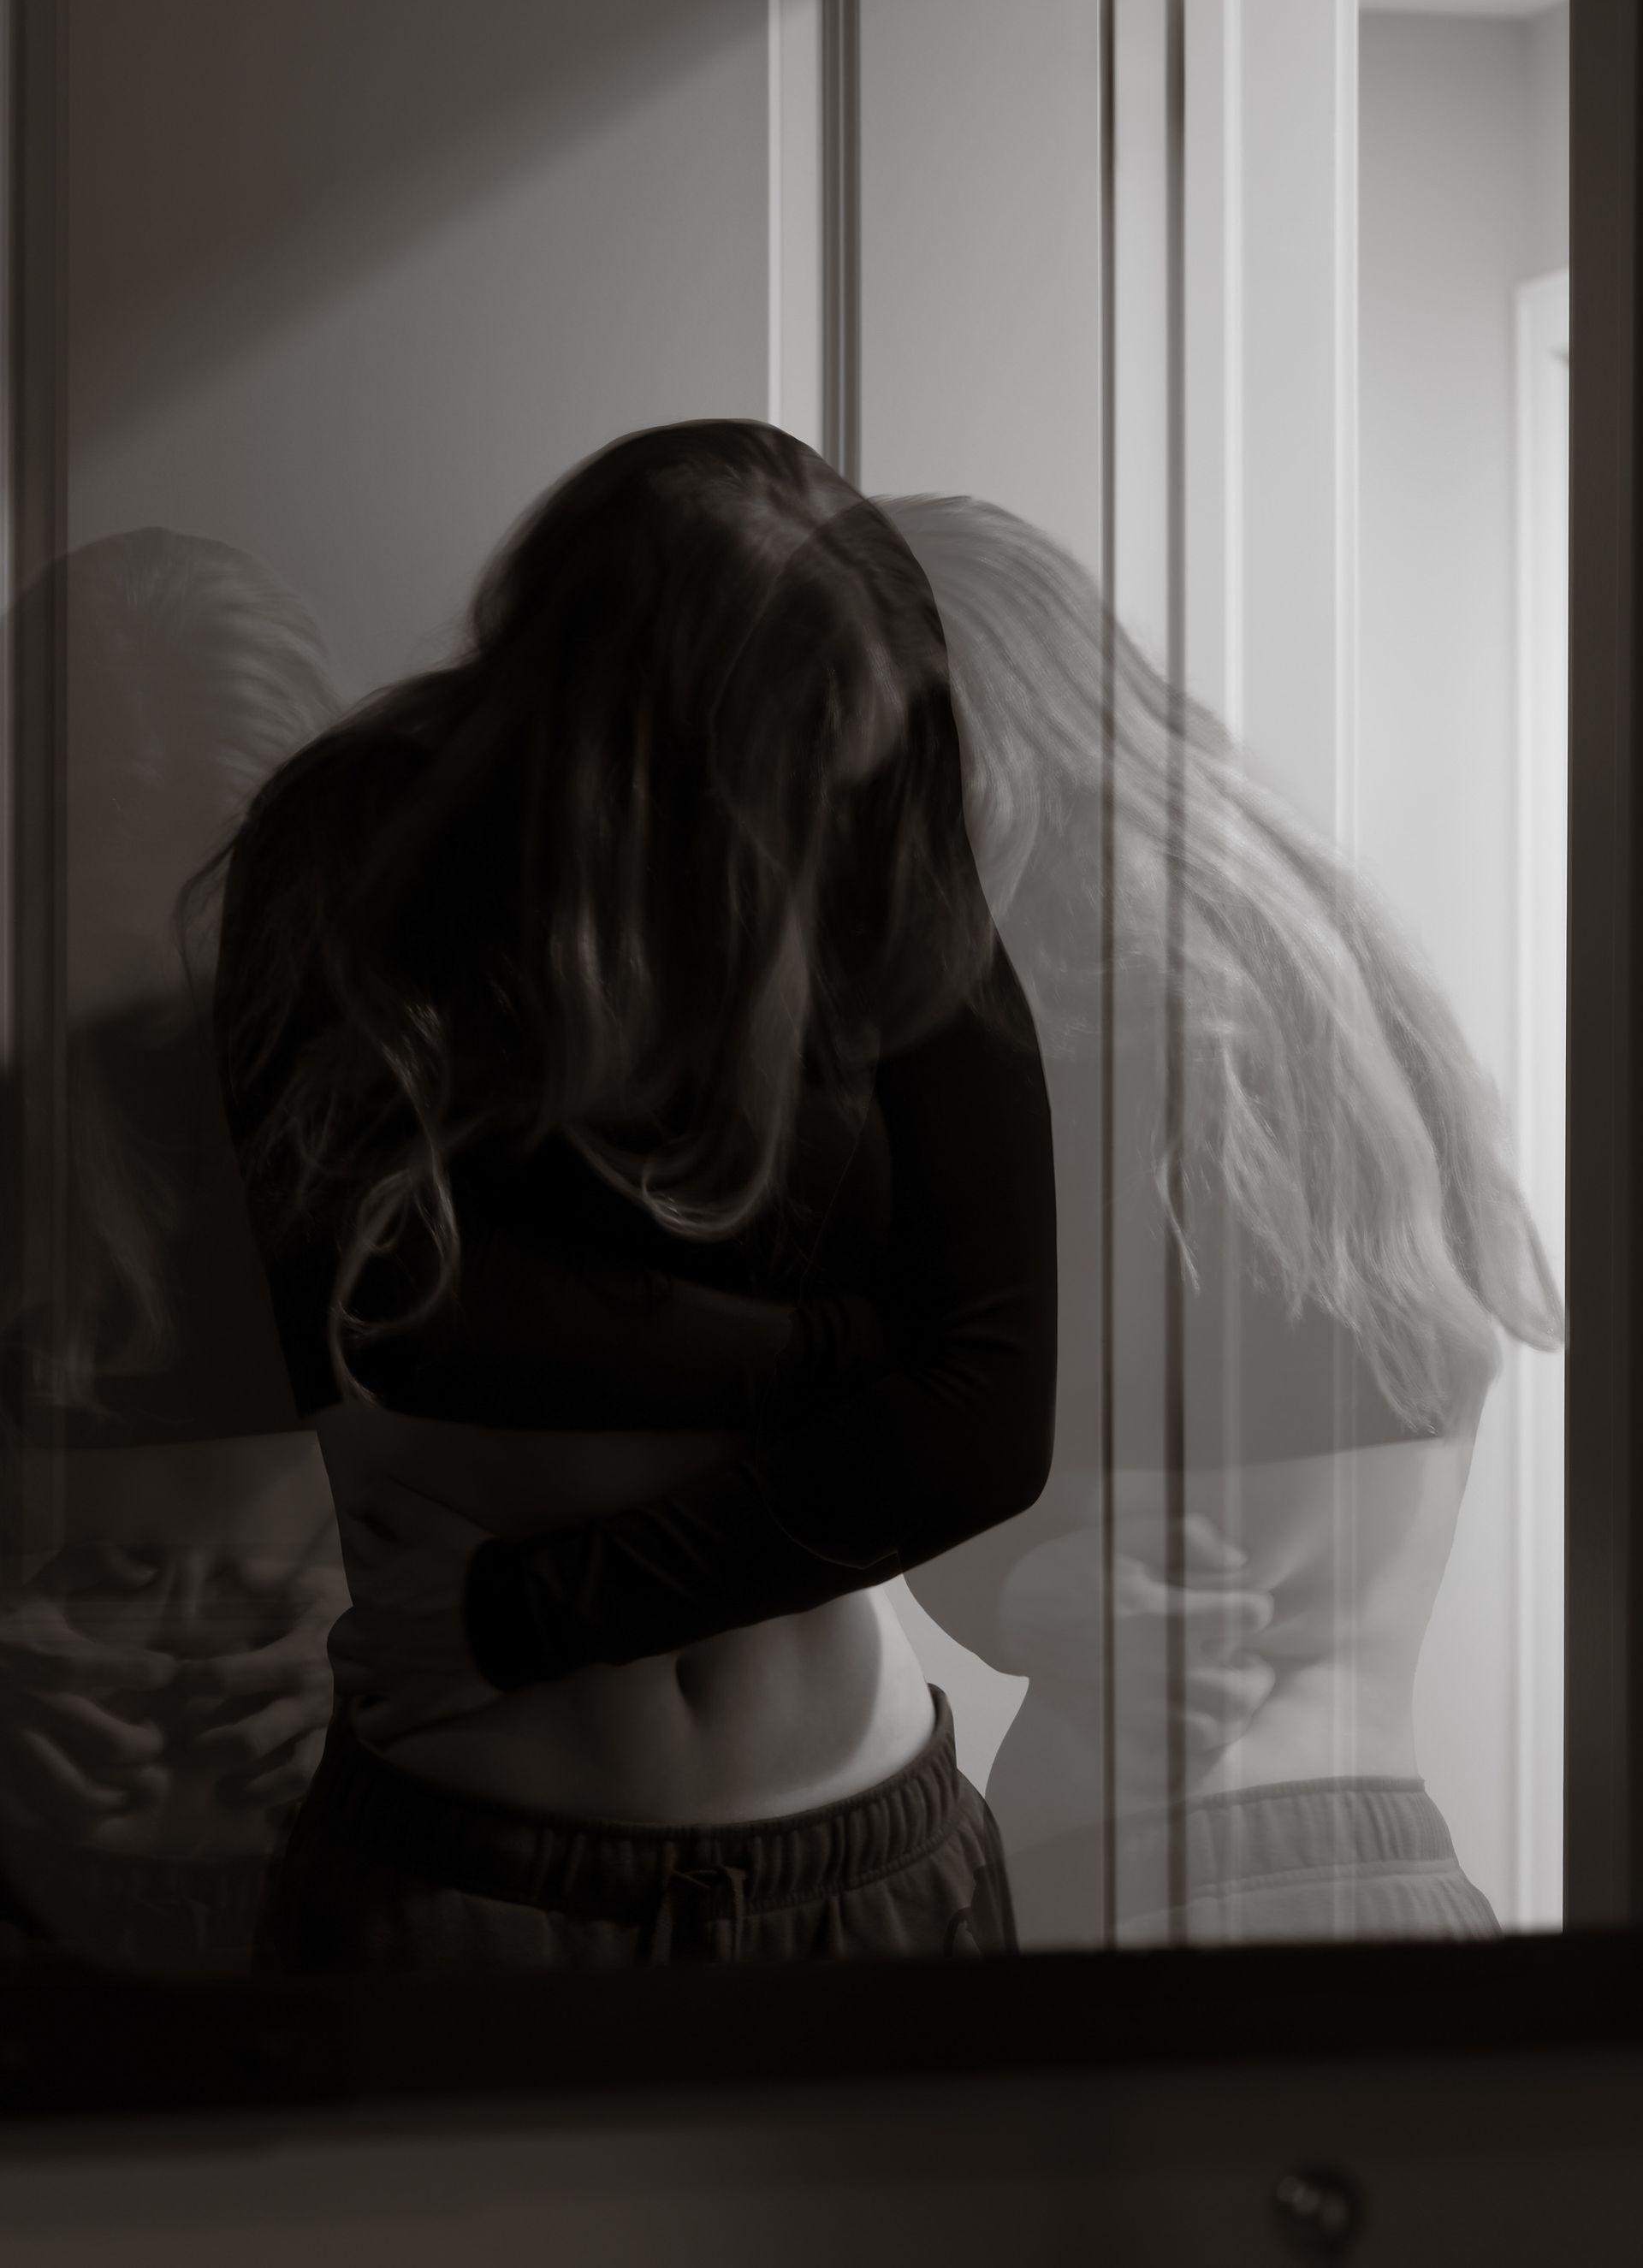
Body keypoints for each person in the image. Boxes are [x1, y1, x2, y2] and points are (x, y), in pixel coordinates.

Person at [199, 421, 1059, 1972]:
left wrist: (525, 1616)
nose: (829, 824)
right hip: (482, 1893)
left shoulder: (878, 857)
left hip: (876, 1867)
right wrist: (856, 1349)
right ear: (611, 743)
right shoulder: (353, 853)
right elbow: (399, 1319)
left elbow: (988, 1423)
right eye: (782, 771)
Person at [883, 495, 1564, 1946]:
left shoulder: (1038, 1037)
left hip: (1136, 1889)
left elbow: (927, 1465)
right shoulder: (1356, 1002)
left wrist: (1004, 1592)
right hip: (1397, 1868)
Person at [0, 529, 349, 1976]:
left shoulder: (414, 1097)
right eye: (110, 899)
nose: (171, 972)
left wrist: (398, 1645)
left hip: (358, 1872)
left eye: (217, 909)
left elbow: (564, 1495)